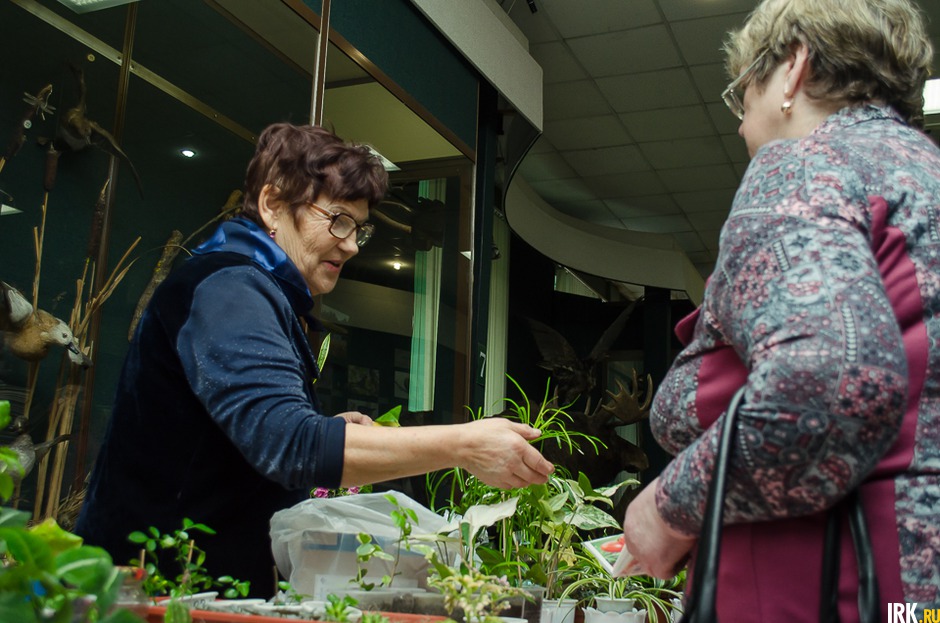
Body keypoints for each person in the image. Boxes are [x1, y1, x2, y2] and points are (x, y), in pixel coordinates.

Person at [75, 123, 554, 596]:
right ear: (272, 204)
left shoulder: (252, 288)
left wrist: (328, 428)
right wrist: (462, 444)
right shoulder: (232, 290)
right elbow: (292, 445)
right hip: (157, 594)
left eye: (358, 228)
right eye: (338, 219)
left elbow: (250, 436)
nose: (351, 243)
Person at [620, 0, 939, 620]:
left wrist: (666, 510)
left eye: (742, 96)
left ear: (793, 68)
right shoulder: (926, 175)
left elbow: (824, 382)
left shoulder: (804, 164)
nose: (742, 126)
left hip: (826, 585)